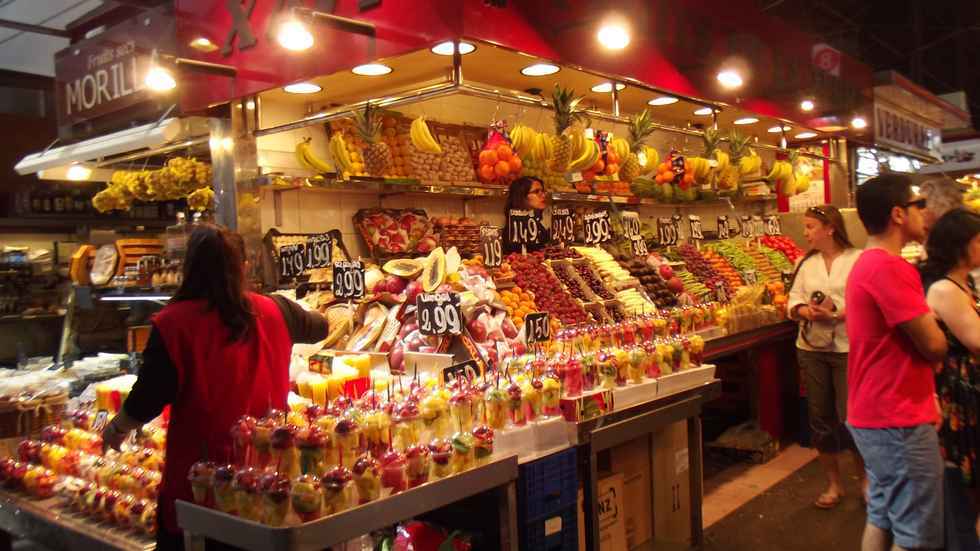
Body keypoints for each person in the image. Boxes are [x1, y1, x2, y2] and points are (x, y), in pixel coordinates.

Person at [102, 224, 328, 550]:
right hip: (271, 471)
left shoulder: (172, 322)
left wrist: (116, 429)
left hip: (202, 484)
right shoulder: (278, 309)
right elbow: (321, 326)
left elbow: (146, 400)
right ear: (243, 268)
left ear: (189, 268)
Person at [846, 174, 948, 551]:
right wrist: (939, 327)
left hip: (876, 413)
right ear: (898, 214)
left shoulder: (867, 263)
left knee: (883, 514)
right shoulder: (889, 268)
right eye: (918, 204)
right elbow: (933, 345)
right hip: (896, 417)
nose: (925, 212)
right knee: (916, 532)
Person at [787, 205, 865, 509]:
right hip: (812, 349)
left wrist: (839, 313)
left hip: (848, 348)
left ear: (830, 228)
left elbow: (865, 299)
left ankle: (866, 481)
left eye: (810, 227)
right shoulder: (806, 264)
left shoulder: (857, 260)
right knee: (820, 418)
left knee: (852, 418)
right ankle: (834, 484)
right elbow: (792, 300)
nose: (805, 232)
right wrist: (807, 312)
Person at [920, 208, 980, 550]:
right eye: (978, 240)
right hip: (959, 392)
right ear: (961, 246)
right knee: (963, 477)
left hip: (968, 387)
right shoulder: (945, 289)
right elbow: (976, 340)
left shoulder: (964, 282)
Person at [503, 176, 550, 254]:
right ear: (521, 196)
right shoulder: (511, 232)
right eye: (536, 192)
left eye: (543, 191)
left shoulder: (538, 226)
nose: (543, 195)